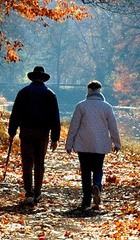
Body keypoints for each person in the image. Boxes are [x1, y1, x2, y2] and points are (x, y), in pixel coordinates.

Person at [7, 65, 61, 206]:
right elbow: (55, 118)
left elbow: (15, 114)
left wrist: (12, 132)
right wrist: (55, 138)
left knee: (27, 162)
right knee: (39, 163)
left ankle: (29, 193)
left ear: (32, 78)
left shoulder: (23, 92)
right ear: (43, 78)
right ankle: (37, 192)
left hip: (26, 132)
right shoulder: (50, 94)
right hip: (42, 133)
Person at [64, 80, 122, 211]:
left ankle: (86, 200)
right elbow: (113, 127)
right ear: (100, 91)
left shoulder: (81, 106)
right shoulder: (107, 107)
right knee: (98, 168)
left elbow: (74, 126)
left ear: (88, 90)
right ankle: (97, 185)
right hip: (100, 144)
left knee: (85, 171)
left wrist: (69, 144)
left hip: (83, 143)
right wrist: (117, 143)